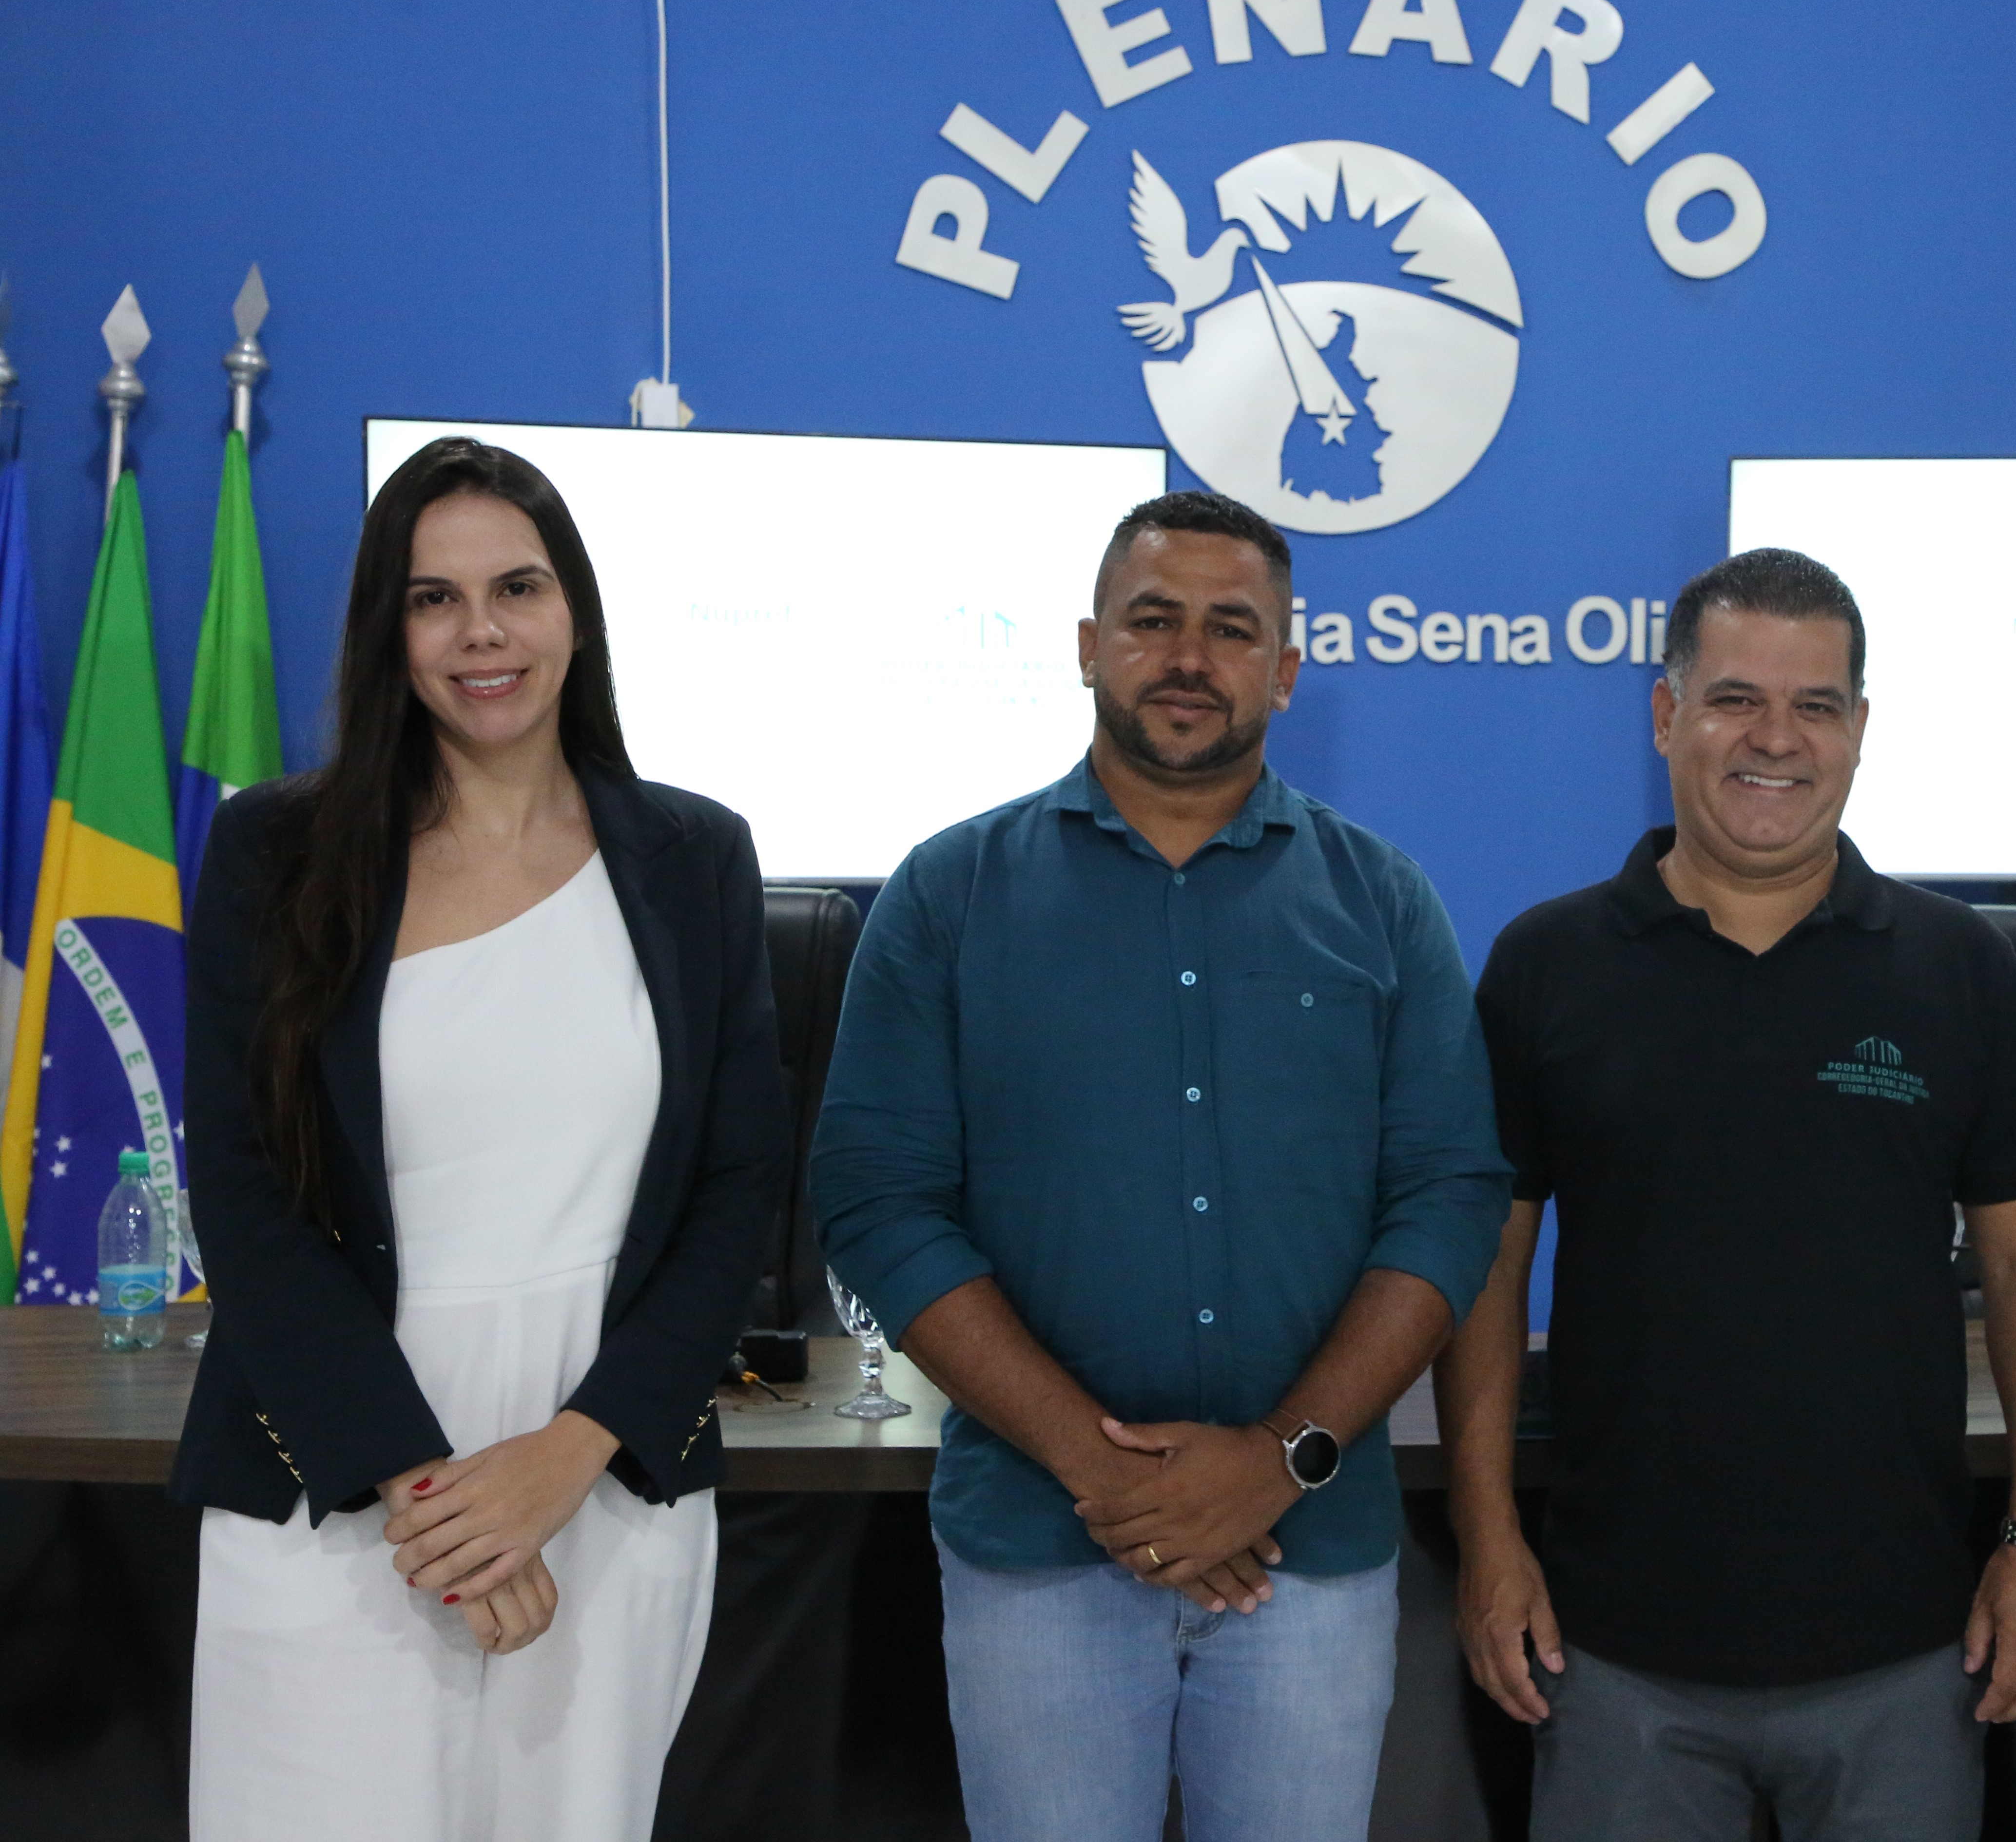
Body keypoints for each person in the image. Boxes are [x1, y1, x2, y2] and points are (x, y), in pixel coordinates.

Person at [809, 488, 1508, 1842]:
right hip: (1037, 1553)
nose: (1190, 657)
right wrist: (1105, 1471)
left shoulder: (1384, 903)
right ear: (1088, 645)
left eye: (1232, 629)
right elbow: (879, 1201)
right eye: (1153, 620)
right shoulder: (948, 894)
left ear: (1286, 671)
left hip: (1310, 1557)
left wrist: (1280, 1461)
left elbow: (1448, 1199)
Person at [171, 437, 788, 1841]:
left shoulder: (695, 857)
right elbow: (248, 1194)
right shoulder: (277, 851)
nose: (482, 633)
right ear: (386, 631)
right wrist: (430, 1493)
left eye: (517, 587)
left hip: (608, 1473)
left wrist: (566, 1458)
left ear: (574, 607)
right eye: (432, 599)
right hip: (337, 1473)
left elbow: (739, 1181)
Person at [1439, 548, 2016, 1841]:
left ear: (1861, 728)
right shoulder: (1547, 964)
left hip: (1908, 1644)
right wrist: (1488, 1537)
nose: (1777, 740)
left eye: (1817, 706)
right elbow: (1488, 1267)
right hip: (1612, 1647)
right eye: (1736, 699)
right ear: (1666, 713)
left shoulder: (1960, 967)